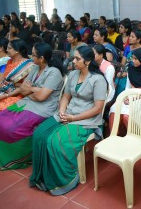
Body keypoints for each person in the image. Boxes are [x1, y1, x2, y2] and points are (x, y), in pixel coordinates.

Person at [29, 46, 107, 195]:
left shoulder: (98, 80)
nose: (74, 61)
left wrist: (73, 118)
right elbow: (66, 96)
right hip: (68, 113)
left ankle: (64, 181)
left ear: (88, 61)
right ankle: (42, 176)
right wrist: (62, 111)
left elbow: (98, 108)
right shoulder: (73, 74)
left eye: (78, 59)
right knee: (39, 133)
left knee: (56, 141)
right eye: (74, 58)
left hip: (86, 120)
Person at [0, 43, 64, 170]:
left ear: (41, 58)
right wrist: (34, 90)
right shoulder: (35, 68)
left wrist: (30, 90)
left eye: (33, 55)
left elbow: (42, 97)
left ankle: (21, 156)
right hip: (27, 102)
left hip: (44, 108)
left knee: (12, 127)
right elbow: (22, 89)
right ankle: (8, 152)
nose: (31, 57)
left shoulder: (54, 72)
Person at [109, 48, 141, 134]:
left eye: (136, 59)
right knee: (114, 110)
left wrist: (135, 98)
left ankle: (133, 136)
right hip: (129, 96)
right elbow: (127, 88)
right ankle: (114, 135)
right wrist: (125, 97)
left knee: (127, 115)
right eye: (133, 58)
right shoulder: (131, 70)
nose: (133, 61)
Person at [115, 30, 141, 97]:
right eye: (130, 36)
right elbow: (123, 63)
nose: (130, 38)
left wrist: (127, 73)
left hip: (136, 74)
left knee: (123, 85)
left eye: (132, 37)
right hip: (125, 71)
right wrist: (121, 71)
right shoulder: (128, 48)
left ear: (138, 39)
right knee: (117, 82)